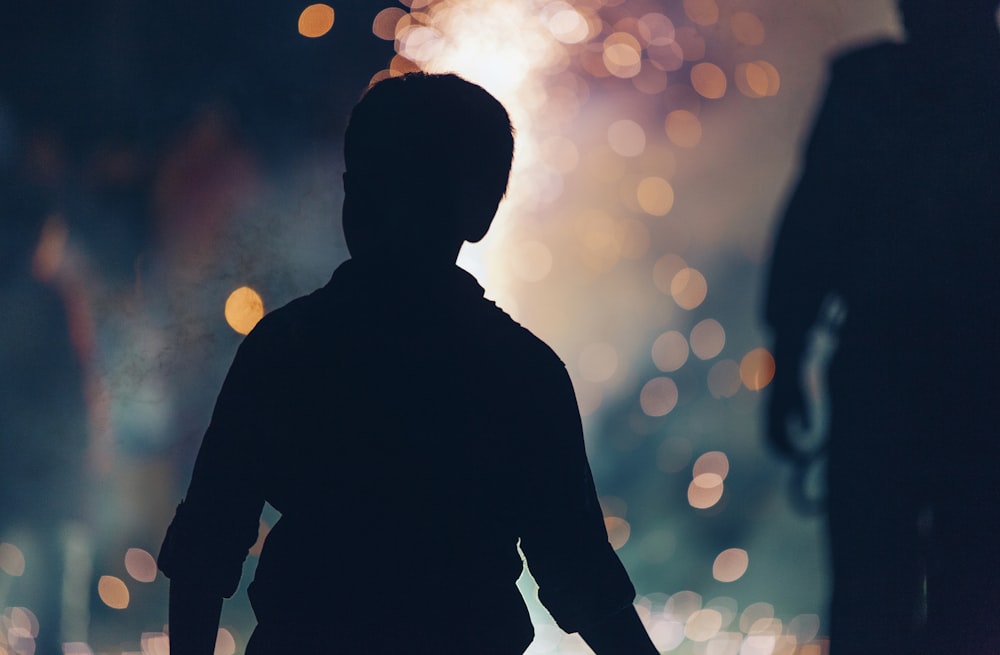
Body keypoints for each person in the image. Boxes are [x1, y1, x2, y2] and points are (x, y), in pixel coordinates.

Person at [158, 73, 657, 655]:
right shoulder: (520, 371)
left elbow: (205, 550)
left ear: (349, 194)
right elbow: (579, 573)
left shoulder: (287, 348)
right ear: (482, 212)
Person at [764, 2, 1000, 653]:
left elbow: (811, 225)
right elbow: (813, 225)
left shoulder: (867, 85)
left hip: (888, 371)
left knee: (879, 588)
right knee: (974, 593)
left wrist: (789, 356)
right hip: (968, 379)